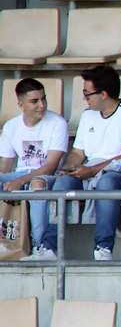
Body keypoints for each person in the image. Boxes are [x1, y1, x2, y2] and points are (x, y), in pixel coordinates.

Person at [34, 65, 121, 262]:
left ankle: (103, 248)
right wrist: (67, 168)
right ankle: (49, 248)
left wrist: (91, 170)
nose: (84, 98)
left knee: (107, 183)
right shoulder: (88, 115)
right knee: (63, 183)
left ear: (103, 94)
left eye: (87, 93)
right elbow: (77, 153)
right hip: (91, 171)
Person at [2, 79, 70, 259]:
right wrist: (11, 181)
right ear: (20, 104)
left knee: (37, 183)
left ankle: (39, 246)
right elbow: (5, 167)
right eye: (35, 101)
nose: (42, 105)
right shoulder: (11, 126)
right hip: (21, 173)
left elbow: (51, 166)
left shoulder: (57, 123)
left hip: (49, 176)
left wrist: (20, 181)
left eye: (43, 99)